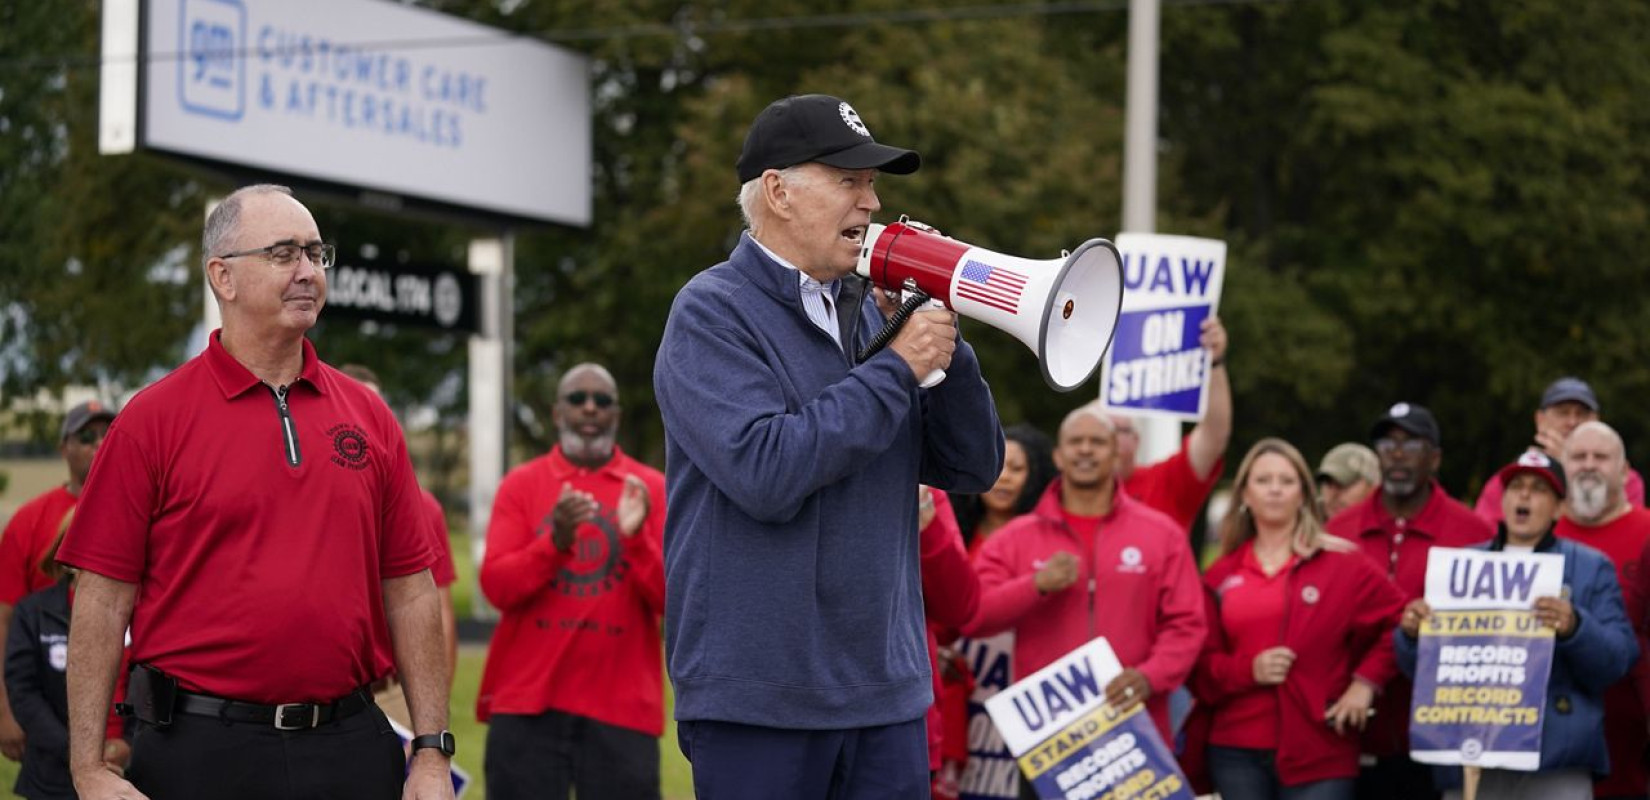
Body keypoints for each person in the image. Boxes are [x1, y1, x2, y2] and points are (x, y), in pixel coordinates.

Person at [653, 93, 1004, 797]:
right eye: (851, 180)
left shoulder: (869, 310)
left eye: (871, 183)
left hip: (884, 696)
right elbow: (766, 470)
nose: (872, 202)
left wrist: (944, 345)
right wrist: (896, 365)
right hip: (761, 700)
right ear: (778, 192)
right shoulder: (711, 311)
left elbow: (973, 465)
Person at [57, 184, 453, 800]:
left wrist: (430, 755)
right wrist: (88, 768)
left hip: (350, 746)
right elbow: (103, 600)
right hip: (198, 750)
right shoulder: (151, 420)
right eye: (283, 253)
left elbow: (411, 590)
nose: (307, 272)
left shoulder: (371, 420)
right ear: (223, 277)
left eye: (317, 254)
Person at [965, 408, 1205, 781]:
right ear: (1059, 456)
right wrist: (1036, 585)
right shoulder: (1016, 538)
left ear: (1116, 453)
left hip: (1134, 733)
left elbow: (1187, 624)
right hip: (1047, 742)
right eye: (1076, 442)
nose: (1086, 450)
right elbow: (974, 615)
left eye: (1098, 442)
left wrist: (1149, 677)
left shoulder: (1162, 534)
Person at [1397, 451, 1638, 800]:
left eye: (1538, 489)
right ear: (1503, 500)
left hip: (1555, 760)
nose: (1524, 496)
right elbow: (1421, 672)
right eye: (1516, 487)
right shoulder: (1462, 567)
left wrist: (1574, 626)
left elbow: (1617, 660)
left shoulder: (1590, 567)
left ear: (1559, 508)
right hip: (1472, 757)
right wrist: (1411, 634)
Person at [476, 363, 667, 800]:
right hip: (527, 705)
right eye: (577, 399)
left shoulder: (650, 489)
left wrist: (636, 541)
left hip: (622, 712)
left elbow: (672, 599)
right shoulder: (521, 485)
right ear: (557, 412)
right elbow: (497, 589)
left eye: (602, 401)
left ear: (616, 414)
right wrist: (555, 542)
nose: (589, 408)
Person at [1183, 439, 1405, 800]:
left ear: (1303, 494)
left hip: (1321, 750)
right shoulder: (1220, 575)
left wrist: (1365, 684)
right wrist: (1248, 670)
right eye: (1263, 480)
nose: (1274, 489)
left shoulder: (1343, 563)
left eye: (1286, 481)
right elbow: (1200, 670)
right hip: (1236, 751)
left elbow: (1399, 620)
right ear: (1245, 495)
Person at [1324, 402, 1493, 800]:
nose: (1397, 455)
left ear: (1434, 458)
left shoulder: (1473, 532)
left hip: (1441, 741)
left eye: (1411, 445)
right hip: (1351, 737)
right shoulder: (1339, 530)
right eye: (1387, 444)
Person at [0, 400, 116, 763]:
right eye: (86, 436)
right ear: (63, 448)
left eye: (107, 434)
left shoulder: (144, 511)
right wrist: (5, 710)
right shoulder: (30, 519)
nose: (98, 443)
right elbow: (3, 619)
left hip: (122, 703)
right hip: (48, 698)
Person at [339, 363, 460, 683]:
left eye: (373, 405)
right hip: (334, 686)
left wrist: (437, 705)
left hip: (395, 683)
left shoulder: (426, 508)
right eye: (353, 402)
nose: (362, 416)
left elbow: (438, 607)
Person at [1555, 421, 1650, 800]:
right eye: (1578, 457)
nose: (1589, 465)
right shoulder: (1535, 536)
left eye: (1601, 457)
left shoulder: (1647, 531)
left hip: (1635, 741)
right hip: (1555, 746)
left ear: (1625, 471)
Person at [5, 521, 128, 800]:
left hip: (134, 773)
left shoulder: (142, 610)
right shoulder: (34, 612)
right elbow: (23, 691)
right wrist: (79, 752)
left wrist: (128, 744)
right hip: (53, 777)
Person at [1109, 317, 1231, 531]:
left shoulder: (1165, 482)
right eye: (1099, 433)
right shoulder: (1063, 493)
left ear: (1136, 440)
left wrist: (1213, 362)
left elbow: (1214, 435)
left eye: (1120, 431)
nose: (1109, 441)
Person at [1474, 377, 1645, 526]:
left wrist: (1566, 464)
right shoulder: (1510, 480)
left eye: (1582, 414)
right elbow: (1491, 535)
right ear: (1540, 420)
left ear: (1595, 420)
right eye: (1562, 413)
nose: (1572, 421)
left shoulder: (1622, 477)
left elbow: (1624, 527)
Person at [951, 423, 1056, 557]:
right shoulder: (954, 532)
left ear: (1036, 476)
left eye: (1016, 468)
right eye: (995, 467)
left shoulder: (1046, 537)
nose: (1004, 477)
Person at [1316, 442, 1380, 520]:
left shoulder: (1393, 528)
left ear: (1373, 488)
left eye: (1343, 484)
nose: (1334, 493)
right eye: (1328, 484)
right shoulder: (1304, 526)